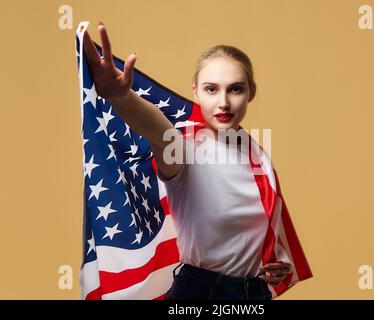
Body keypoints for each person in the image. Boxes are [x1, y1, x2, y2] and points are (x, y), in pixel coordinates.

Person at [83, 22, 294, 300]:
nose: (224, 102)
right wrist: (122, 97)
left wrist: (274, 264)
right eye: (211, 89)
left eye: (235, 89)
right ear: (195, 92)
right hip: (201, 293)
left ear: (250, 93)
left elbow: (253, 233)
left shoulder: (258, 156)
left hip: (253, 294)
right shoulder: (184, 150)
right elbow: (158, 129)